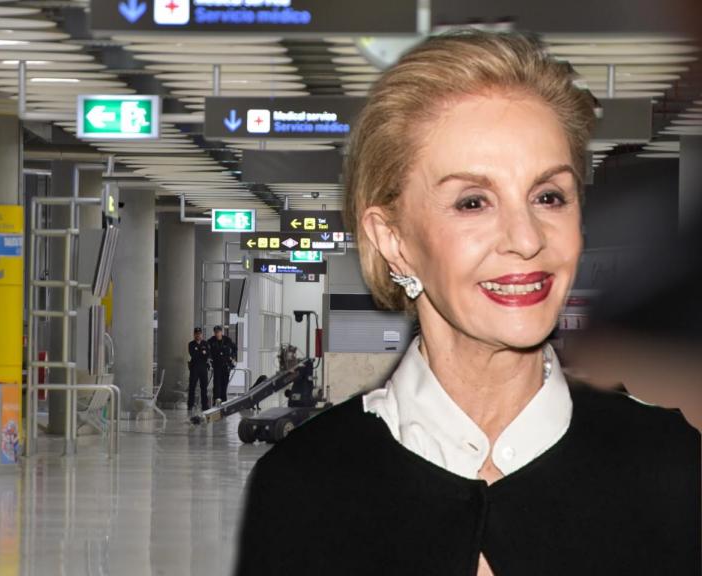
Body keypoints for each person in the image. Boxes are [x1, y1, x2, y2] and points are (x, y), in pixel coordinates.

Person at [235, 30, 700, 576]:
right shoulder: (303, 483)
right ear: (393, 239)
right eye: (473, 202)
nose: (526, 238)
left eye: (548, 196)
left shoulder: (670, 465)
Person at [207, 325, 236, 404]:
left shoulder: (227, 340)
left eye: (218, 332)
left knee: (224, 383)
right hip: (216, 365)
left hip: (226, 365)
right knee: (217, 384)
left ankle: (224, 400)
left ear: (221, 332)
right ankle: (216, 400)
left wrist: (233, 357)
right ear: (214, 332)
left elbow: (234, 348)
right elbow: (207, 350)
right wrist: (209, 359)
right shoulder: (211, 341)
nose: (217, 334)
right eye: (216, 332)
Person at [187, 327, 210, 413]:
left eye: (199, 334)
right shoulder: (191, 344)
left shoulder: (205, 343)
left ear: (201, 334)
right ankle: (190, 405)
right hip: (194, 368)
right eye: (196, 334)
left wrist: (201, 352)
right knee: (192, 387)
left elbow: (207, 355)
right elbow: (194, 355)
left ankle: (205, 405)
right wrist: (202, 352)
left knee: (204, 387)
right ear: (194, 334)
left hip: (203, 368)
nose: (198, 335)